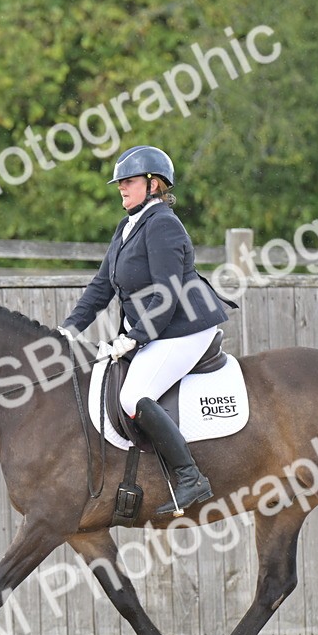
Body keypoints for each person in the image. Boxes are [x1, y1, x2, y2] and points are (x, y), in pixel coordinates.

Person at [59, 145, 235, 514]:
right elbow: (101, 287)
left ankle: (190, 477)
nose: (121, 187)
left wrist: (133, 337)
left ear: (154, 184)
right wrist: (69, 330)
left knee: (132, 396)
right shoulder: (127, 227)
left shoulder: (163, 225)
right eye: (120, 182)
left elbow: (166, 295)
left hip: (185, 327)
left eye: (129, 181)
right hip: (158, 327)